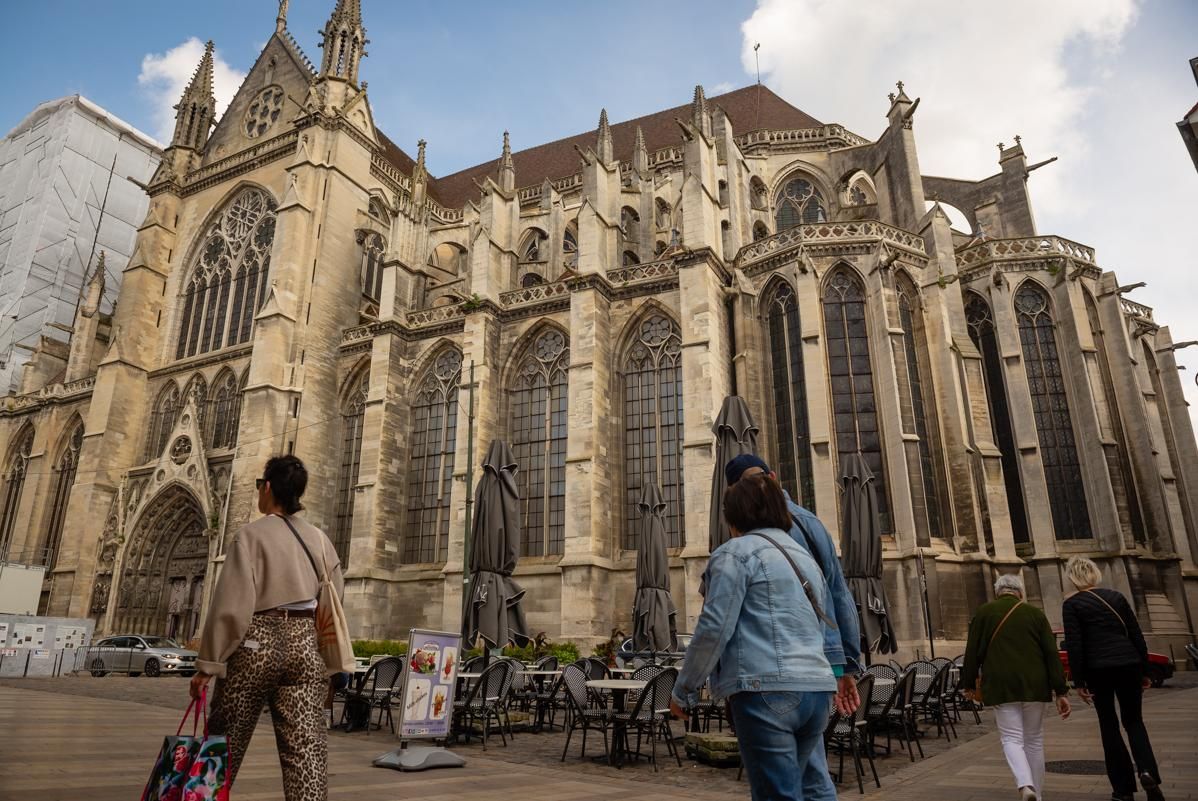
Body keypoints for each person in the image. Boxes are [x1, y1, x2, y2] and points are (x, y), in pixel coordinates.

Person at [670, 473, 837, 801]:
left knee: (778, 795)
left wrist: (686, 688)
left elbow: (714, 627)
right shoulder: (805, 559)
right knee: (815, 789)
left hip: (766, 690)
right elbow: (821, 626)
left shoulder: (736, 552)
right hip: (817, 689)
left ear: (735, 517)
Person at [191, 455, 344, 801]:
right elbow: (334, 603)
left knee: (223, 744)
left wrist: (208, 666)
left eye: (260, 485)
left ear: (269, 488)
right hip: (306, 645)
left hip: (256, 643)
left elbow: (231, 608)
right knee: (306, 755)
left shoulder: (250, 536)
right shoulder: (321, 541)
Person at [724, 455, 862, 800]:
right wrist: (846, 662)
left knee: (795, 782)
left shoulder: (766, 534)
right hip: (815, 665)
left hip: (778, 669)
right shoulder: (812, 522)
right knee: (812, 776)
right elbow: (838, 594)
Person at [961, 574, 1071, 801]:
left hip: (1001, 683)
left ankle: (1025, 785)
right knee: (1034, 740)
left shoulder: (984, 613)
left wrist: (969, 683)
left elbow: (972, 652)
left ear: (998, 592)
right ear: (1020, 592)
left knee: (1011, 738)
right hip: (1035, 683)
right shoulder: (1035, 614)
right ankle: (1037, 795)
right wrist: (1061, 690)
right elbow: (1051, 653)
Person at [1062, 556, 1164, 801]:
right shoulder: (1116, 597)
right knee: (1134, 722)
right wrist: (1146, 671)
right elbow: (1135, 634)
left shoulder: (1072, 604)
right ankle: (1148, 772)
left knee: (1109, 725)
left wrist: (1078, 682)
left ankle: (1123, 790)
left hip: (1098, 670)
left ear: (1072, 578)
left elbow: (1075, 646)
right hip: (1128, 664)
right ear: (1095, 574)